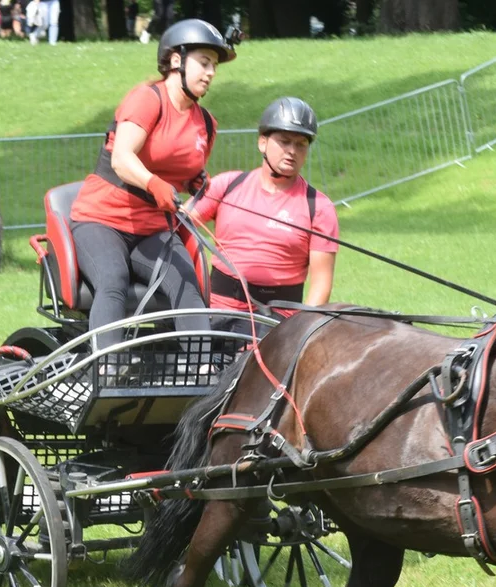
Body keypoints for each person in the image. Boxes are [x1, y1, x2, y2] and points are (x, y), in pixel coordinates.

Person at [69, 19, 235, 356]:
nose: (211, 72)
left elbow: (185, 168)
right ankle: (107, 368)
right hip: (101, 219)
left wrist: (195, 181)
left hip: (152, 227)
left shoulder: (205, 122)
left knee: (187, 282)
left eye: (214, 66)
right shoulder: (147, 99)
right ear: (177, 60)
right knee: (112, 279)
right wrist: (153, 182)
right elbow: (122, 158)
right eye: (204, 62)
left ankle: (200, 371)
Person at [192, 97, 339, 338]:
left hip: (277, 325)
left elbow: (321, 285)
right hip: (216, 314)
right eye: (284, 142)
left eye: (301, 144)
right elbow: (179, 225)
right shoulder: (227, 185)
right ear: (263, 142)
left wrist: (300, 334)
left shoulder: (319, 207)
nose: (292, 151)